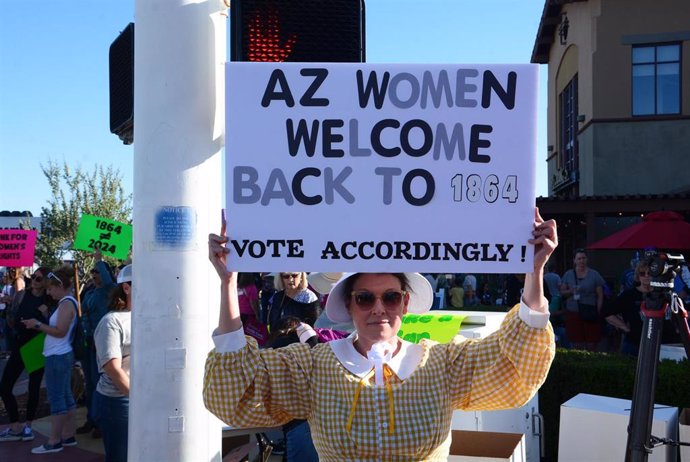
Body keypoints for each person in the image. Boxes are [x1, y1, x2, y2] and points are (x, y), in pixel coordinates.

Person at [203, 209, 557, 460]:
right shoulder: (313, 368)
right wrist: (227, 283)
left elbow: (515, 359)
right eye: (364, 298)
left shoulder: (442, 364)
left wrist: (535, 270)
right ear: (349, 304)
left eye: (389, 297)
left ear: (404, 303)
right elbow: (238, 388)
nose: (378, 308)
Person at [21, 267, 78, 454]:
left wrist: (37, 324)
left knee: (57, 398)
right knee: (66, 396)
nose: (48, 292)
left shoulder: (66, 304)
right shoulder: (67, 302)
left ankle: (54, 441)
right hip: (60, 355)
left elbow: (60, 332)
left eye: (51, 288)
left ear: (60, 286)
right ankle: (68, 435)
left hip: (58, 356)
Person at [0, 267, 53, 443]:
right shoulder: (22, 294)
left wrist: (45, 315)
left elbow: (55, 326)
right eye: (33, 277)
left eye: (39, 278)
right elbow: (11, 317)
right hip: (19, 345)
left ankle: (28, 426)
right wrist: (11, 316)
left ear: (46, 282)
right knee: (5, 386)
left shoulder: (50, 300)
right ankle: (15, 426)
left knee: (34, 388)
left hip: (37, 347)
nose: (34, 281)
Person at [93, 264, 132, 462]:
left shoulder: (152, 316)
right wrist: (138, 399)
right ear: (126, 287)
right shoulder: (112, 322)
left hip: (138, 399)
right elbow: (112, 368)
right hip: (118, 402)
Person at [603, 261, 679, 356]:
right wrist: (625, 328)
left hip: (665, 342)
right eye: (642, 273)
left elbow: (682, 311)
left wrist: (678, 328)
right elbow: (607, 312)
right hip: (636, 342)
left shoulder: (665, 294)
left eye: (650, 273)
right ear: (638, 276)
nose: (646, 276)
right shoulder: (629, 295)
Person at [77, 250, 116, 437]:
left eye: (98, 271)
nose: (94, 275)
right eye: (93, 272)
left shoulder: (110, 290)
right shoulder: (90, 293)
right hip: (89, 344)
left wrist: (99, 260)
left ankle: (101, 422)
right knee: (90, 384)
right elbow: (82, 313)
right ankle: (91, 419)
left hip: (103, 343)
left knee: (101, 383)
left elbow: (108, 281)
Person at [560, 248, 605, 351]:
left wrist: (598, 310)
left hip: (590, 311)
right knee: (576, 342)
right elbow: (562, 292)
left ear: (587, 259)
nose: (581, 261)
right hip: (573, 312)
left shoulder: (594, 274)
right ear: (574, 260)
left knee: (591, 342)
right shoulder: (568, 274)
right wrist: (571, 291)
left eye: (583, 258)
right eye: (579, 258)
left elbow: (600, 295)